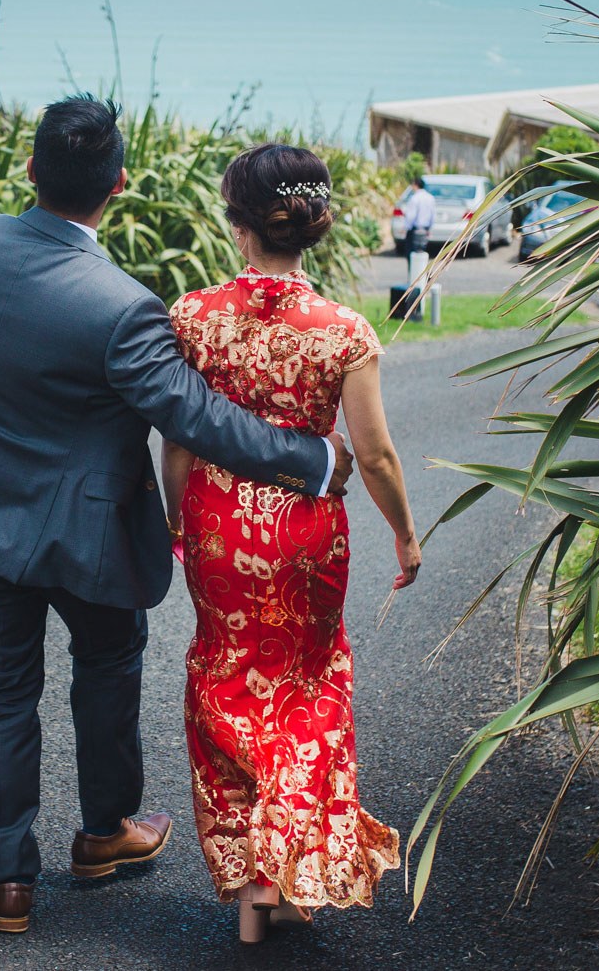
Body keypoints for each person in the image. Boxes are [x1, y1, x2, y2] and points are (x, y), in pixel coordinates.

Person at [0, 99, 355, 937]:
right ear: (118, 185)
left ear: (30, 172)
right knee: (109, 656)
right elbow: (194, 416)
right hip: (84, 530)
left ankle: (9, 879)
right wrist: (313, 460)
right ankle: (104, 831)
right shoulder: (122, 305)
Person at [161, 143, 422, 945]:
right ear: (311, 226)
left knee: (225, 681)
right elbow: (372, 454)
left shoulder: (192, 317)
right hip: (306, 536)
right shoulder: (344, 332)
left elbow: (176, 439)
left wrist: (179, 522)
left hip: (215, 527)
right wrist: (406, 539)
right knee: (306, 689)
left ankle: (251, 886)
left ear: (240, 228)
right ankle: (291, 872)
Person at [398, 174, 435, 256]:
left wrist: (405, 228)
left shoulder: (414, 198)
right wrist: (429, 228)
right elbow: (433, 215)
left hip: (414, 230)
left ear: (415, 185)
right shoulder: (430, 198)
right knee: (422, 253)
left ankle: (413, 269)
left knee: (411, 253)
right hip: (425, 229)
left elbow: (411, 215)